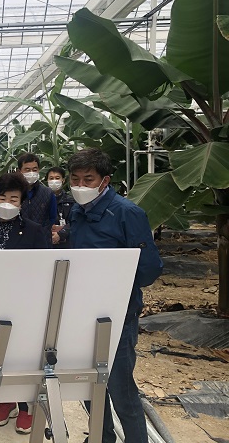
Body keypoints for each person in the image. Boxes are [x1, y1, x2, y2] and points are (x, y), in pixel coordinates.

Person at [67, 148, 163, 443]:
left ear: (105, 180)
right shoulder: (77, 211)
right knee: (86, 385)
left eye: (88, 179)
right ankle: (101, 437)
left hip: (116, 315)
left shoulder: (127, 214)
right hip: (82, 310)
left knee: (120, 389)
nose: (80, 186)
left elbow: (149, 270)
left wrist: (114, 275)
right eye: (75, 179)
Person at [0, 172, 49, 435]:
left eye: (13, 198)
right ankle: (5, 401)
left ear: (22, 202)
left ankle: (27, 408)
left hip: (25, 304)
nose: (6, 202)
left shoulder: (35, 232)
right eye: (2, 197)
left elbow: (43, 270)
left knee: (24, 355)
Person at [17, 153, 57, 245]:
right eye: (27, 170)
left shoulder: (48, 193)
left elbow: (52, 218)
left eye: (34, 169)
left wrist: (43, 231)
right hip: (19, 241)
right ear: (20, 171)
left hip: (42, 241)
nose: (31, 172)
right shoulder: (15, 194)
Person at [46, 166, 74, 248]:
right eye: (51, 178)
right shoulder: (42, 200)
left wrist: (61, 234)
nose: (54, 181)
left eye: (57, 178)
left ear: (63, 180)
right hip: (46, 241)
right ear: (47, 180)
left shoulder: (71, 200)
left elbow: (75, 221)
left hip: (66, 242)